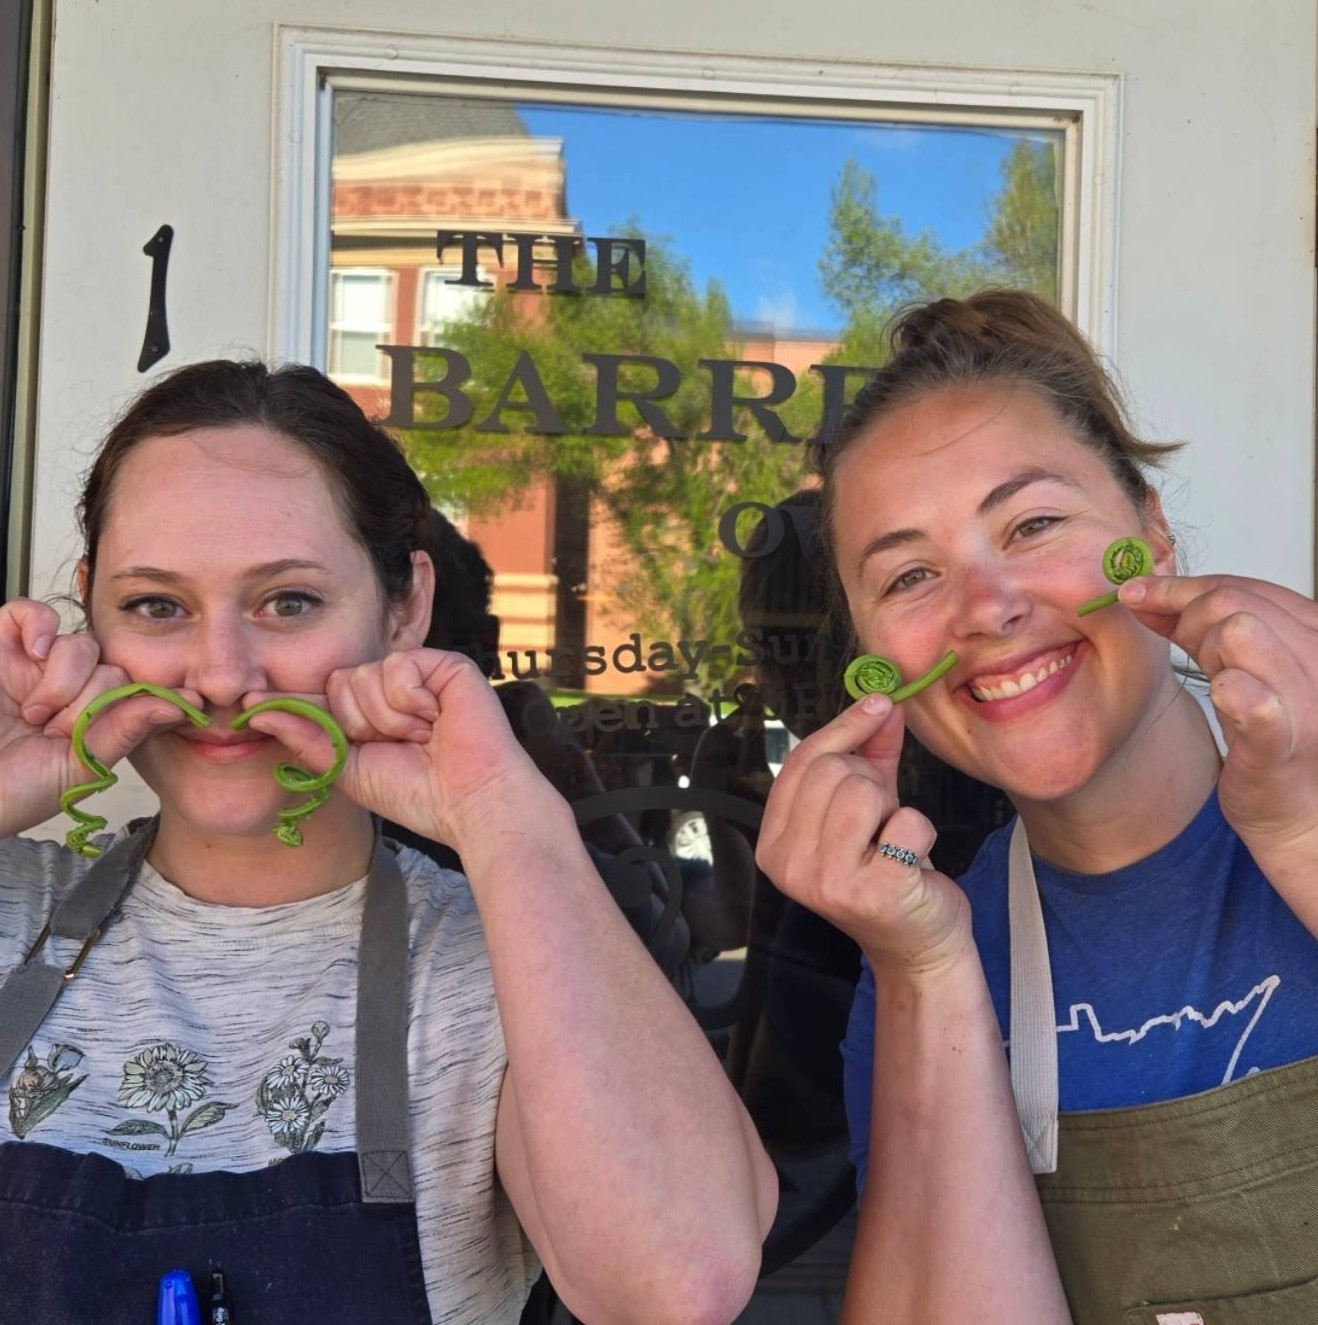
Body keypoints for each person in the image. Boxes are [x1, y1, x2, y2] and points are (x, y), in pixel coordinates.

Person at [0, 360, 776, 1324]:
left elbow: (676, 1283)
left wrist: (504, 814)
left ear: (403, 605)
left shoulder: (510, 963)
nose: (223, 674)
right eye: (157, 605)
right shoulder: (13, 906)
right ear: (90, 610)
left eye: (288, 600)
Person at [754, 289, 1318, 1323]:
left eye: (1033, 522)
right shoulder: (926, 957)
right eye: (911, 573)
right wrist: (924, 973)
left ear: (1150, 535)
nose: (985, 607)